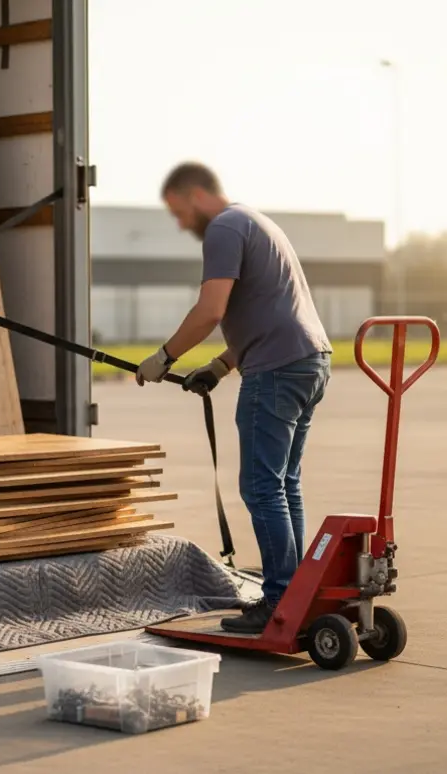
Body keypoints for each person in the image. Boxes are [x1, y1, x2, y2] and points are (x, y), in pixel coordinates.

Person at [135, 162, 333, 634]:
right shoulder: (255, 221)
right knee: (284, 483)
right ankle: (295, 591)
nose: (181, 223)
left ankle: (282, 599)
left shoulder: (223, 228)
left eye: (179, 211)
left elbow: (210, 310)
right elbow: (268, 309)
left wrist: (163, 356)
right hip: (310, 360)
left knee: (261, 487)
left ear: (197, 194)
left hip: (276, 369)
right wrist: (222, 366)